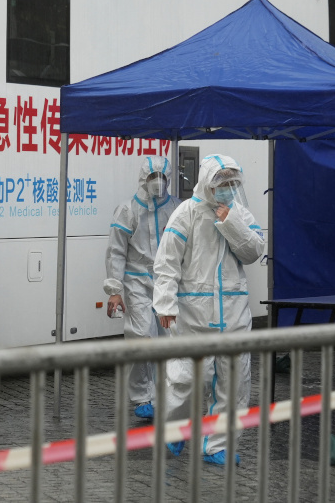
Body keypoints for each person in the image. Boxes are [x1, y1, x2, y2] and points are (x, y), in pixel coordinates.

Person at [153, 154, 265, 466]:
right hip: (193, 314)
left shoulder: (238, 212)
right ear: (207, 182)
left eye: (233, 182)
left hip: (234, 313)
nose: (229, 188)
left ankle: (217, 445)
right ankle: (174, 432)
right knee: (183, 379)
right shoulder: (185, 213)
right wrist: (165, 303)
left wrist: (230, 222)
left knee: (234, 382)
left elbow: (254, 251)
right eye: (223, 182)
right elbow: (166, 263)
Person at [103, 156, 181, 419]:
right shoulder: (127, 210)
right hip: (136, 281)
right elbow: (116, 252)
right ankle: (141, 396)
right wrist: (114, 289)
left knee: (169, 339)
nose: (157, 182)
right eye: (152, 177)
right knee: (142, 337)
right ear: (142, 179)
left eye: (162, 177)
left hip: (167, 282)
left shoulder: (176, 208)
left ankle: (165, 394)